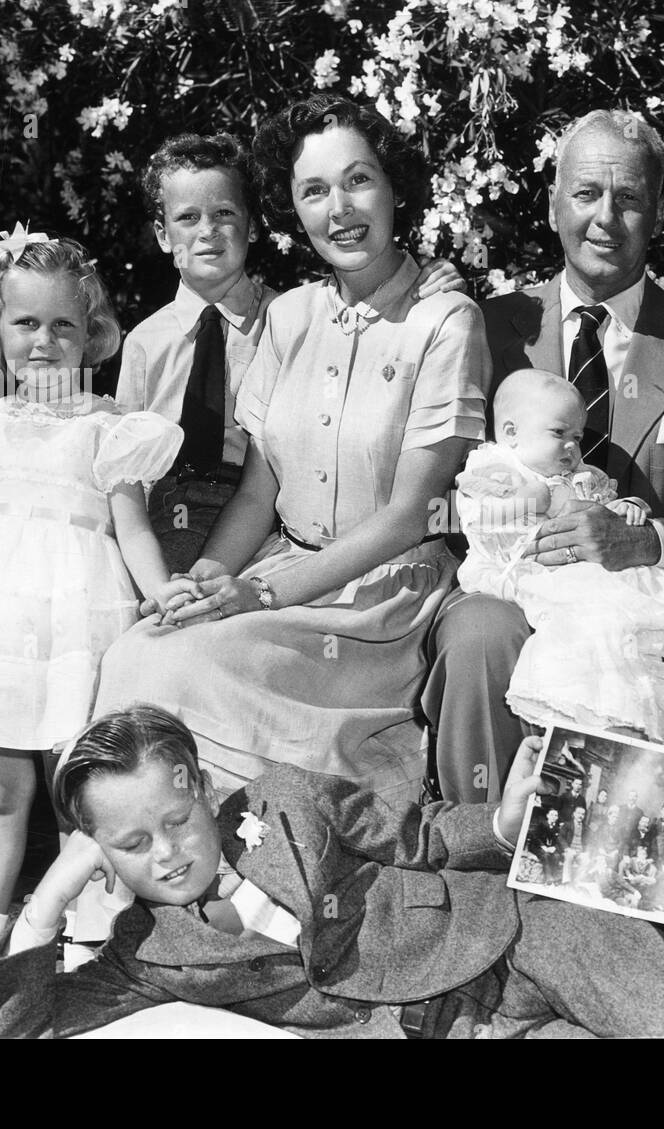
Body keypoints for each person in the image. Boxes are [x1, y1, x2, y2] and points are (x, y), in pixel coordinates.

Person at [0, 705, 664, 1038]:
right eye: (131, 844)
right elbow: (14, 1037)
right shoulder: (146, 953)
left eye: (173, 820)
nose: (168, 854)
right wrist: (47, 898)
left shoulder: (286, 796)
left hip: (512, 928)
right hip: (457, 1024)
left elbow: (427, 832)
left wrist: (509, 821)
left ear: (198, 783)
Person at [92, 96, 489, 803]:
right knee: (137, 653)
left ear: (395, 187)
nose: (340, 208)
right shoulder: (288, 315)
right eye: (315, 191)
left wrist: (256, 595)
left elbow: (408, 514)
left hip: (378, 605)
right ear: (295, 211)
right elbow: (257, 489)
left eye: (359, 180)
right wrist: (207, 584)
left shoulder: (447, 320)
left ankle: (261, 871)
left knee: (179, 676)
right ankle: (148, 887)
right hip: (277, 566)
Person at [423, 108, 664, 802]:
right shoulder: (486, 328)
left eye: (630, 198)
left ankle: (615, 891)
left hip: (642, 602)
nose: (605, 219)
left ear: (660, 211)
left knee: (623, 655)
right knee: (481, 639)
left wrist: (644, 543)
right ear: (553, 204)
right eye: (585, 194)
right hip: (514, 586)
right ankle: (483, 871)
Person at [0, 230, 184, 1011]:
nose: (45, 341)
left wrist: (164, 597)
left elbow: (135, 533)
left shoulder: (108, 428)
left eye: (63, 324)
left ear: (90, 332)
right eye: (26, 324)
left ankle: (84, 940)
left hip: (76, 631)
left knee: (75, 794)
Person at [119, 133, 464, 573]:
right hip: (164, 505)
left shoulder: (291, 321)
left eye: (225, 213)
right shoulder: (143, 342)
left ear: (254, 225)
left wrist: (430, 276)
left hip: (259, 508)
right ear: (163, 235)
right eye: (188, 217)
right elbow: (124, 471)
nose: (207, 230)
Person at [455, 370, 664, 748]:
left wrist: (626, 508)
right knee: (594, 620)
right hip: (521, 569)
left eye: (577, 438)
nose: (571, 447)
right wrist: (543, 500)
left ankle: (638, 716)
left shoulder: (579, 475)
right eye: (558, 433)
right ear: (511, 432)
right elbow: (479, 516)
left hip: (580, 569)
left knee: (625, 617)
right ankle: (586, 710)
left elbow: (601, 511)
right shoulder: (497, 468)